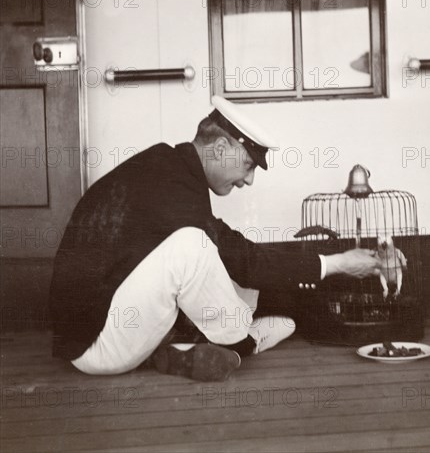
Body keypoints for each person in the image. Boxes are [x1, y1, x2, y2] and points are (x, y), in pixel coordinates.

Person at [49, 96, 381, 382]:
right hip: (96, 345)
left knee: (220, 259)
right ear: (221, 148)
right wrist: (338, 264)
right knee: (194, 249)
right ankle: (243, 342)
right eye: (249, 166)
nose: (249, 181)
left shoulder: (170, 167)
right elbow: (240, 259)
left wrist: (331, 264)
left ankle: (179, 348)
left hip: (101, 327)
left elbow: (237, 255)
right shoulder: (173, 182)